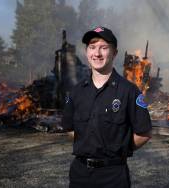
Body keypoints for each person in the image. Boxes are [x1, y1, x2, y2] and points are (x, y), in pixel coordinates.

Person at [61, 26, 152, 188]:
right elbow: (69, 128)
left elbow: (144, 133)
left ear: (114, 53)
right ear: (86, 52)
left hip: (113, 176)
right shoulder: (76, 92)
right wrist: (88, 144)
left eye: (104, 47)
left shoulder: (129, 91)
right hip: (80, 174)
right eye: (92, 47)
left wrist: (117, 150)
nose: (97, 53)